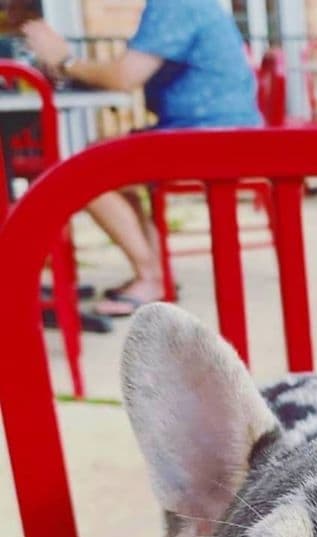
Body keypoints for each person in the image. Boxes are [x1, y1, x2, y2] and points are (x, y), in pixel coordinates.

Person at [22, 0, 262, 316]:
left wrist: (65, 60)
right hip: (211, 131)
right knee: (99, 158)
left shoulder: (176, 5)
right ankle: (155, 273)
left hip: (212, 137)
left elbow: (125, 75)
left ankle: (151, 277)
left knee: (86, 172)